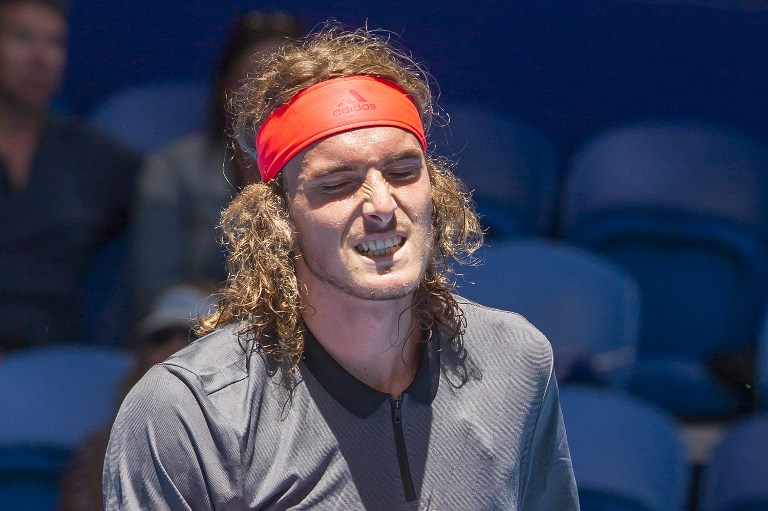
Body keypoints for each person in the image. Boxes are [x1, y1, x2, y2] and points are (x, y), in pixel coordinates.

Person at [104, 25, 579, 510]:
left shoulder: (517, 360)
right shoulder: (187, 412)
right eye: (337, 183)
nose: (381, 204)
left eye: (402, 172)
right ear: (280, 218)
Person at [132, 11, 304, 317]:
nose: (270, 95)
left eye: (286, 81)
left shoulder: (329, 170)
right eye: (254, 78)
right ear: (226, 90)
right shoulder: (173, 169)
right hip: (193, 331)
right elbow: (156, 292)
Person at [0, 0, 142, 351]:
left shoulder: (94, 158)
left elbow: (166, 196)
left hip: (58, 355)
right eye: (22, 38)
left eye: (54, 43)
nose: (41, 57)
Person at [59, 284, 215, 511]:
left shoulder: (249, 445)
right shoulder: (99, 450)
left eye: (190, 336)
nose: (173, 347)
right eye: (160, 338)